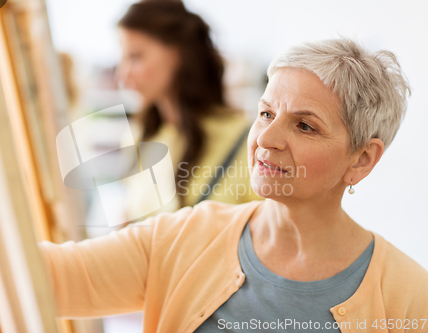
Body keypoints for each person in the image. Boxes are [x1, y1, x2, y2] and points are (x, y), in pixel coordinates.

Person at [38, 38, 428, 332]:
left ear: (361, 159)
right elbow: (46, 277)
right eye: (266, 113)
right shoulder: (181, 238)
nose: (266, 139)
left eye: (305, 125)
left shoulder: (411, 299)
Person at [115, 0, 260, 221]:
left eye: (135, 57)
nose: (123, 76)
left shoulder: (249, 142)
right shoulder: (138, 137)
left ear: (178, 56)